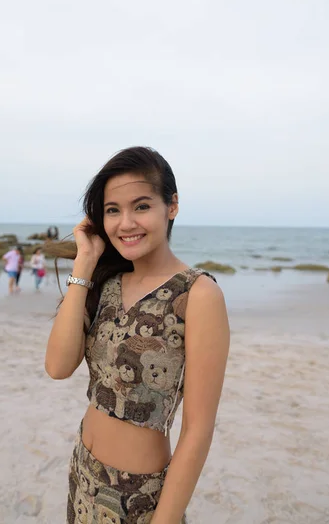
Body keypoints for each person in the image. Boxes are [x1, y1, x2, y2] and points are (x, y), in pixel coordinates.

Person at [45, 147, 230, 523]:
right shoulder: (106, 281)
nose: (125, 222)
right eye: (113, 210)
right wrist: (85, 262)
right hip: (82, 474)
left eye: (141, 206)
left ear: (171, 206)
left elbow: (198, 430)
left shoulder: (197, 294)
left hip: (140, 493)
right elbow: (58, 366)